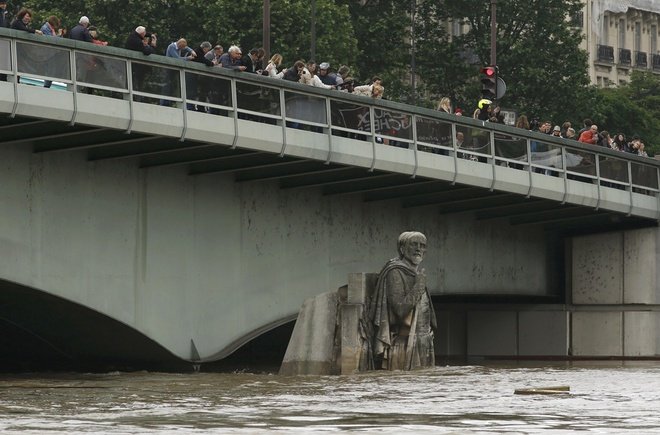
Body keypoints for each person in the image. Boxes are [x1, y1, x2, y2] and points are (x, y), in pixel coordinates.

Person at [365, 231, 436, 371]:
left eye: (422, 246)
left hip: (423, 342)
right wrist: (419, 286)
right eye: (414, 245)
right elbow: (399, 310)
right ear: (402, 249)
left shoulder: (417, 274)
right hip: (404, 344)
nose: (418, 249)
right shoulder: (395, 272)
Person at [124, 26, 157, 98]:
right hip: (135, 67)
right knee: (136, 82)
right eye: (144, 33)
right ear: (142, 34)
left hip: (133, 66)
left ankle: (135, 96)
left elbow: (145, 34)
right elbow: (147, 52)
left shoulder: (133, 36)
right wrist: (153, 45)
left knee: (134, 81)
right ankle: (136, 97)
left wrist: (151, 35)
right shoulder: (137, 41)